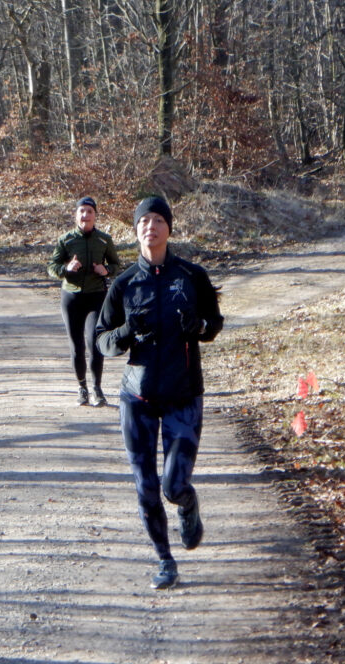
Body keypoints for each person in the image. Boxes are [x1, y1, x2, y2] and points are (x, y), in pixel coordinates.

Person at [96, 196, 224, 590]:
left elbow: (215, 324)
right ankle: (165, 560)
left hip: (184, 394)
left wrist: (198, 325)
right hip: (137, 398)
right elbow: (101, 341)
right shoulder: (123, 285)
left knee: (172, 485)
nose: (150, 227)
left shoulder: (191, 275)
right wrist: (125, 334)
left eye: (157, 220)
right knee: (145, 484)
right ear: (135, 231)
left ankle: (187, 503)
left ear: (169, 227)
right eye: (143, 222)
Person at [48, 196, 120, 407]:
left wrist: (106, 270)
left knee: (94, 342)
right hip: (71, 297)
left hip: (96, 296)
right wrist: (66, 270)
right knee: (77, 346)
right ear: (76, 215)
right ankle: (82, 388)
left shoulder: (104, 240)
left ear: (95, 215)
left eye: (89, 212)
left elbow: (116, 264)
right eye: (82, 211)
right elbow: (52, 267)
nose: (85, 215)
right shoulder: (66, 240)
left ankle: (97, 388)